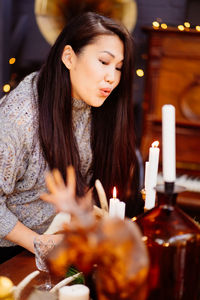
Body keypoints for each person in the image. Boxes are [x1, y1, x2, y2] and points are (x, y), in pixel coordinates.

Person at [0, 12, 143, 263]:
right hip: (11, 255)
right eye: (104, 61)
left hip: (58, 246)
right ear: (68, 57)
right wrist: (39, 243)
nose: (112, 77)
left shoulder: (93, 105)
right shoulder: (19, 118)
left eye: (119, 67)